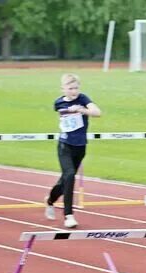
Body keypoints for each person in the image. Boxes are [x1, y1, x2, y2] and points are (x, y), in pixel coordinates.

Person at [44, 73, 101, 228]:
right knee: (69, 175)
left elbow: (97, 112)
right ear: (63, 89)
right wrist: (71, 111)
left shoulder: (83, 99)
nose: (74, 91)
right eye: (70, 88)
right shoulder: (58, 103)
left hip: (80, 147)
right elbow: (63, 114)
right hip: (65, 145)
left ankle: (50, 200)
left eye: (76, 88)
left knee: (65, 180)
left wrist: (83, 110)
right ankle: (68, 215)